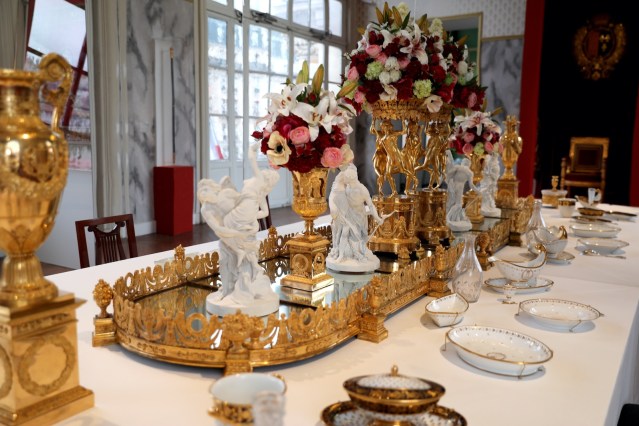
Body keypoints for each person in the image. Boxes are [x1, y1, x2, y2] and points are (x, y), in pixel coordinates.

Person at [197, 143, 280, 314]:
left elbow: (251, 159)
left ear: (265, 177)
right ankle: (245, 273)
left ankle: (242, 278)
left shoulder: (257, 180)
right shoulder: (261, 191)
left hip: (239, 214)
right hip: (246, 214)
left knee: (236, 242)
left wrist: (253, 148)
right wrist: (251, 218)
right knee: (243, 245)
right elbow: (264, 212)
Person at [327, 164, 385, 272]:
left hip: (359, 217)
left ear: (351, 178)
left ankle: (358, 254)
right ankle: (342, 255)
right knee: (345, 234)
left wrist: (377, 218)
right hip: (348, 214)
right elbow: (336, 194)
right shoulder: (347, 187)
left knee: (358, 238)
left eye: (346, 177)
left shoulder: (362, 190)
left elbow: (371, 206)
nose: (343, 178)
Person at [445, 151, 478, 232]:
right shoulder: (470, 172)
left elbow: (449, 173)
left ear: (463, 162)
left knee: (451, 202)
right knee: (458, 204)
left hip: (453, 185)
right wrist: (478, 191)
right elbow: (471, 185)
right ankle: (448, 217)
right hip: (460, 187)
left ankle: (453, 217)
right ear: (469, 164)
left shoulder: (458, 167)